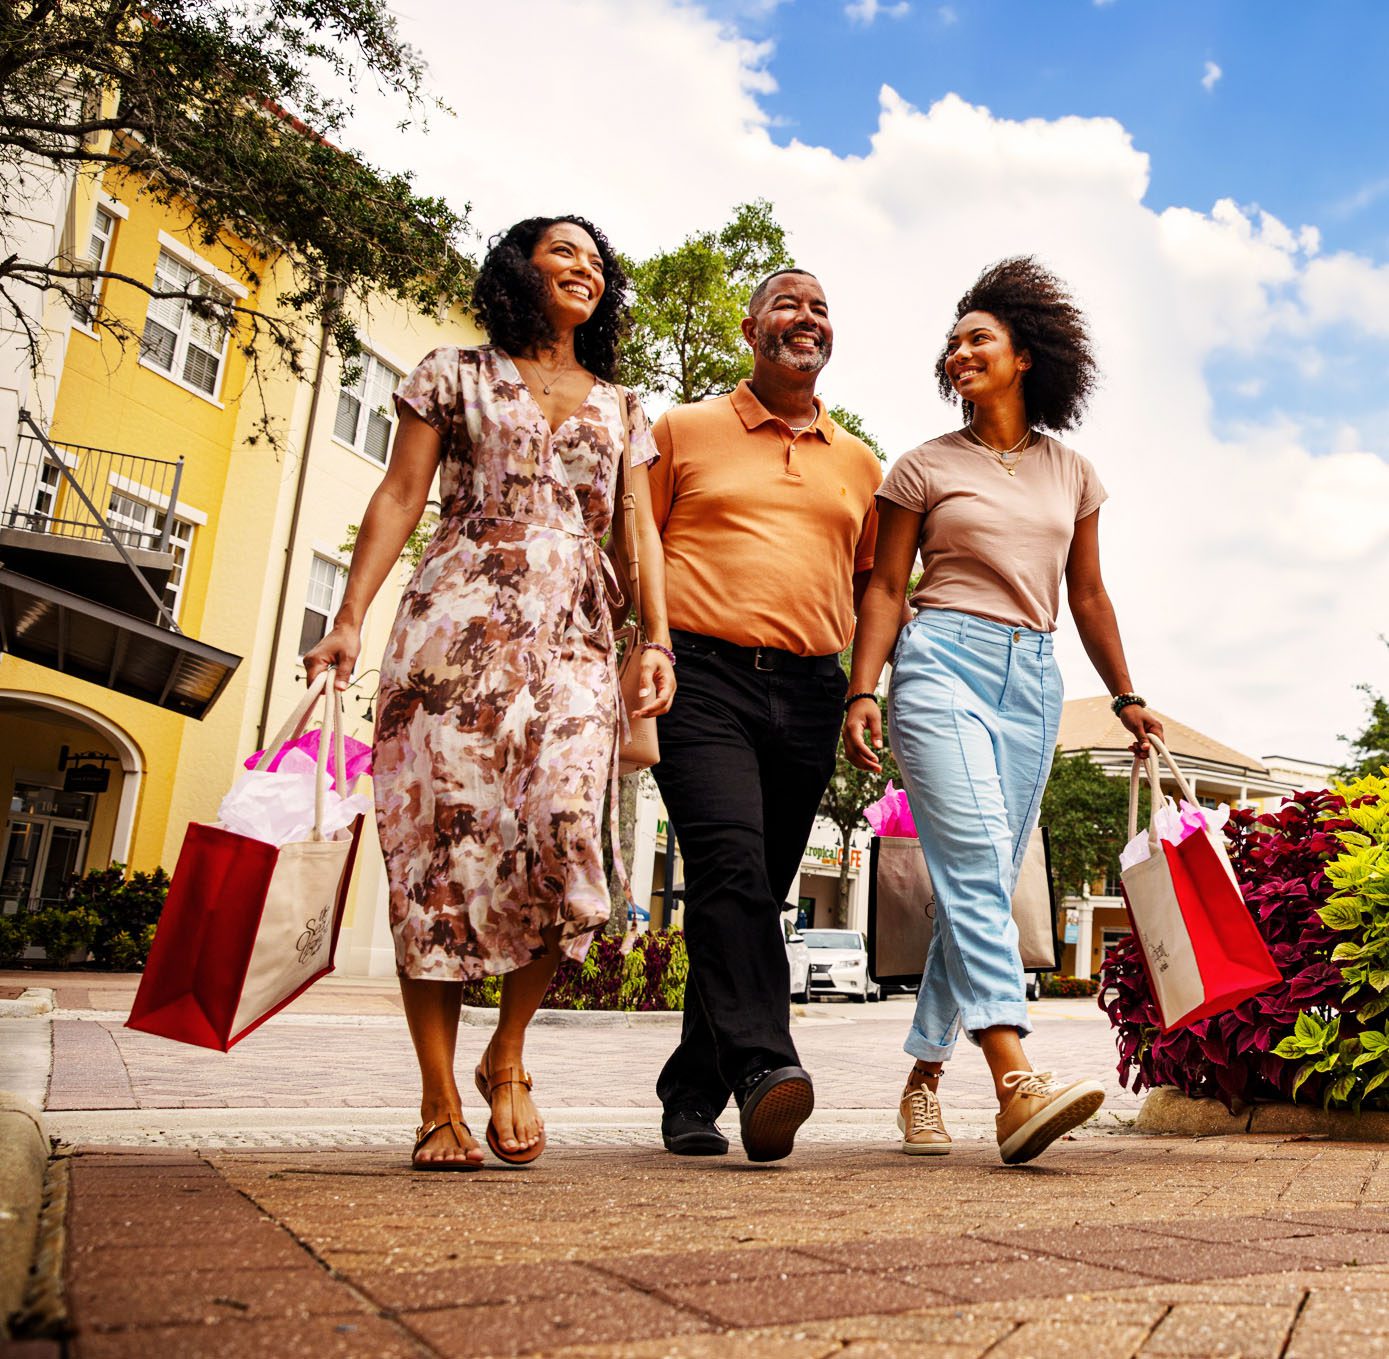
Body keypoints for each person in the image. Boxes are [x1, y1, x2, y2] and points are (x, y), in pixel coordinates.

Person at [304, 216, 676, 1170]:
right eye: (564, 251)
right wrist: (346, 618)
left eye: (597, 258)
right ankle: (436, 1099)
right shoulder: (451, 371)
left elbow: (639, 535)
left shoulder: (624, 406)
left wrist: (654, 642)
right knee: (436, 860)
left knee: (564, 829)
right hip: (452, 627)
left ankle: (506, 1054)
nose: (584, 266)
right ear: (521, 268)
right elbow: (398, 493)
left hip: (573, 635)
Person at [843, 257, 1163, 1165]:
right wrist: (863, 686)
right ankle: (1013, 1075)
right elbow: (881, 587)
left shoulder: (1072, 473)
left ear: (1026, 354)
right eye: (951, 343)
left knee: (974, 873)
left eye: (977, 337)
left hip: (1033, 682)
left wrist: (1128, 694)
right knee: (980, 858)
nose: (958, 352)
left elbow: (1089, 596)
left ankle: (923, 1075)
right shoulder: (920, 466)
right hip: (939, 659)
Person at [648, 268, 882, 1162]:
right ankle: (764, 1065)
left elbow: (871, 587)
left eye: (821, 306)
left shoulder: (858, 461)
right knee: (732, 868)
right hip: (700, 677)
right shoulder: (684, 428)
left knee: (748, 890)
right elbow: (636, 546)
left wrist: (861, 690)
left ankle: (690, 1094)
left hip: (810, 687)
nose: (805, 318)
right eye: (787, 303)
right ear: (749, 329)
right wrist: (646, 649)